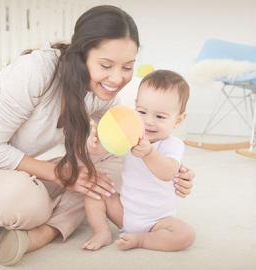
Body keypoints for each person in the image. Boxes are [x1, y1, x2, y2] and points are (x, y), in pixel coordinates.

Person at [0, 5, 195, 266]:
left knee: (111, 167)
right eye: (106, 65)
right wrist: (62, 174)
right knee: (31, 200)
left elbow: (133, 142)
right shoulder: (36, 70)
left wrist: (176, 172)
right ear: (81, 56)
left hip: (14, 174)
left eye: (127, 67)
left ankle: (40, 234)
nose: (117, 78)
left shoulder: (101, 94)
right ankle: (45, 220)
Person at [83, 70, 195, 252]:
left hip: (158, 221)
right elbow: (103, 151)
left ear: (178, 120)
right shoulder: (130, 135)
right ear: (135, 107)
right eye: (142, 112)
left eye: (160, 116)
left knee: (185, 234)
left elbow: (167, 173)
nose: (148, 122)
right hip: (124, 212)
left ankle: (142, 240)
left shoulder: (173, 145)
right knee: (94, 190)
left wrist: (149, 153)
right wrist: (93, 145)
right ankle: (101, 231)